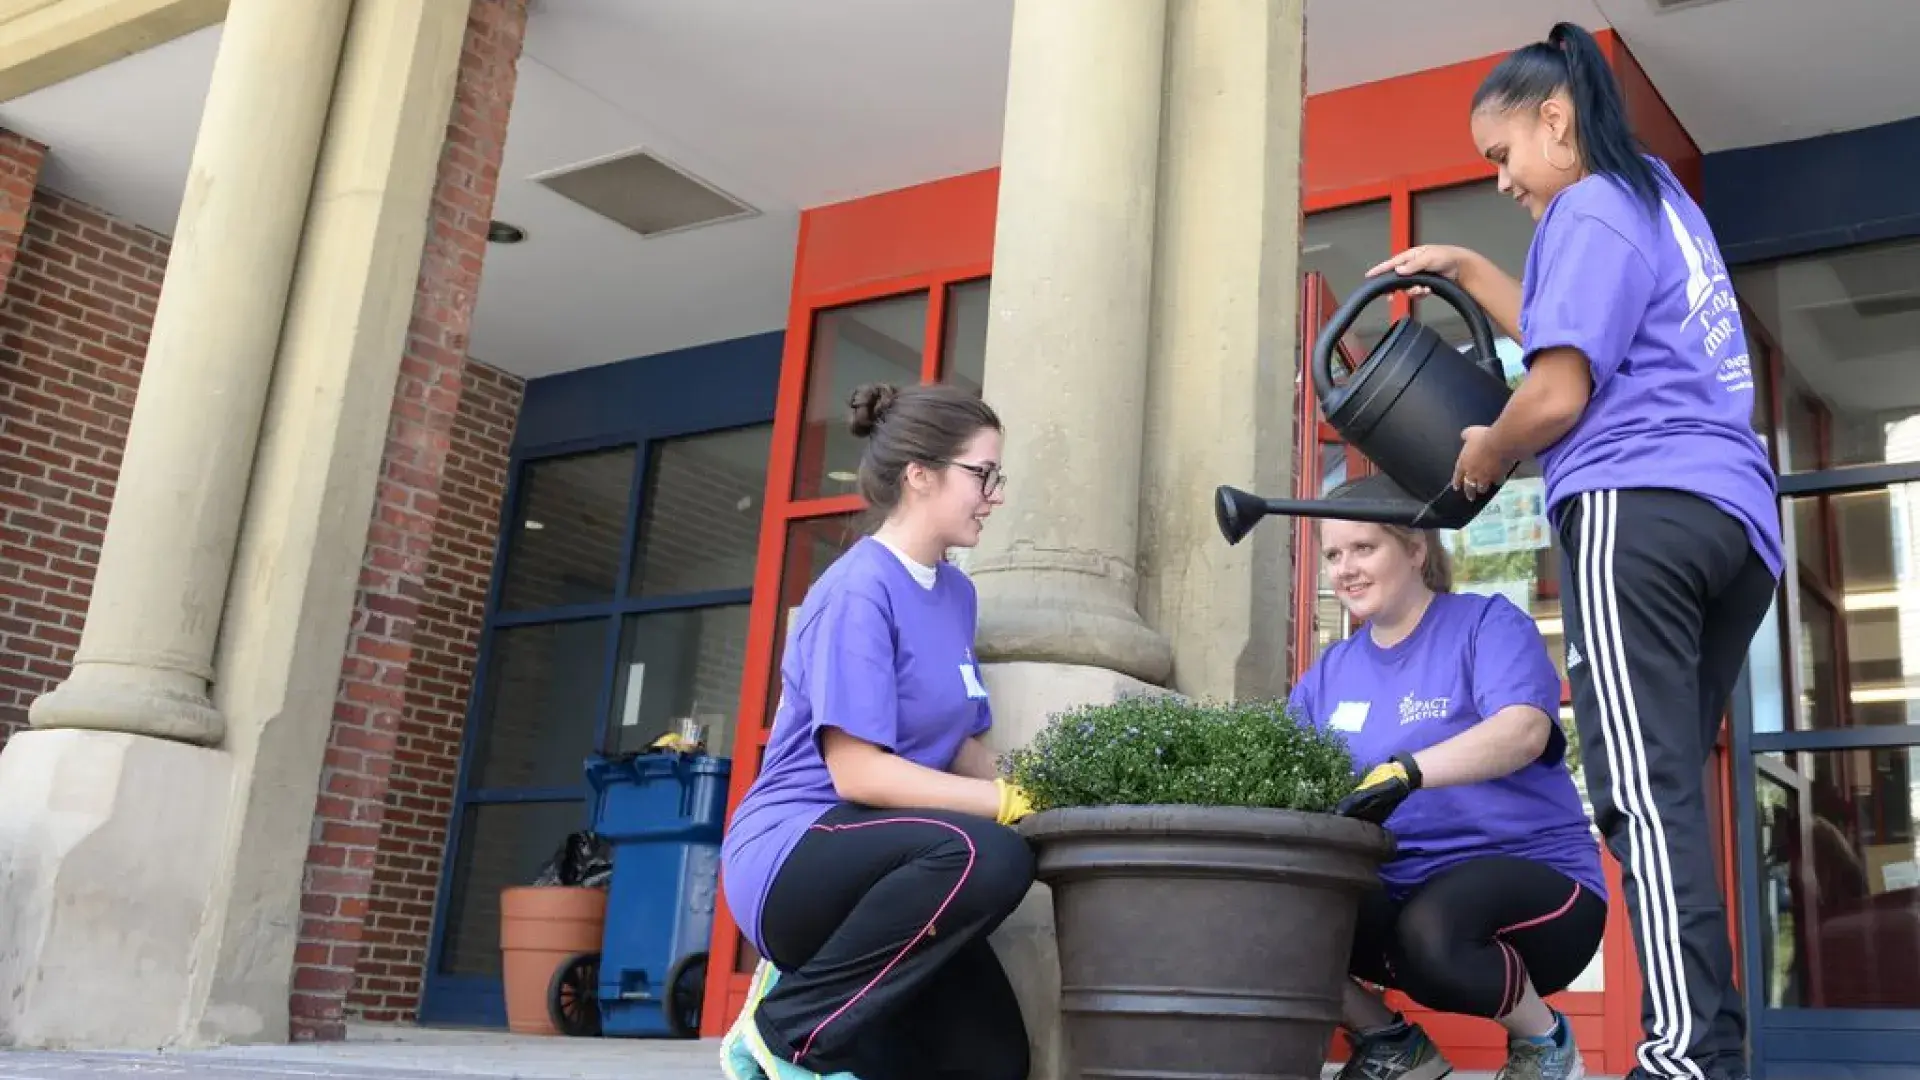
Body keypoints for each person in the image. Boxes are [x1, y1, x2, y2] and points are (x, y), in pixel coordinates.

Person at [1366, 21, 1782, 1080]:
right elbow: (1574, 332)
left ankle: (1687, 1058)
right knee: (1668, 792)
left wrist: (1486, 452)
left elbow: (1555, 390)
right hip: (1732, 522)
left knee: (1640, 798)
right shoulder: (1652, 198)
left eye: (1500, 156)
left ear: (1555, 119)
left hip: (1635, 506)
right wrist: (1464, 264)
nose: (1500, 181)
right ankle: (1708, 1047)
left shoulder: (1587, 205)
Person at [716, 381, 1036, 1080]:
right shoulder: (858, 589)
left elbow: (962, 745)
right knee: (993, 856)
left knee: (993, 1064)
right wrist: (1006, 807)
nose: (996, 494)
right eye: (983, 475)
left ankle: (825, 1018)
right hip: (798, 850)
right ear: (920, 476)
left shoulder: (955, 592)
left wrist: (1048, 794)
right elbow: (858, 774)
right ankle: (784, 1028)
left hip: (895, 860)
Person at [1291, 500, 1607, 1080]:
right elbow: (1287, 776)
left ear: (1415, 550)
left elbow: (1524, 730)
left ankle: (1546, 1044)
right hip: (1401, 890)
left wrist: (1410, 771)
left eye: (1364, 548)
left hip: (1537, 886)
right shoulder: (1330, 674)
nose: (1345, 569)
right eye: (1333, 555)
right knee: (1272, 910)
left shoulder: (1486, 623)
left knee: (1430, 929)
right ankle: (1391, 1043)